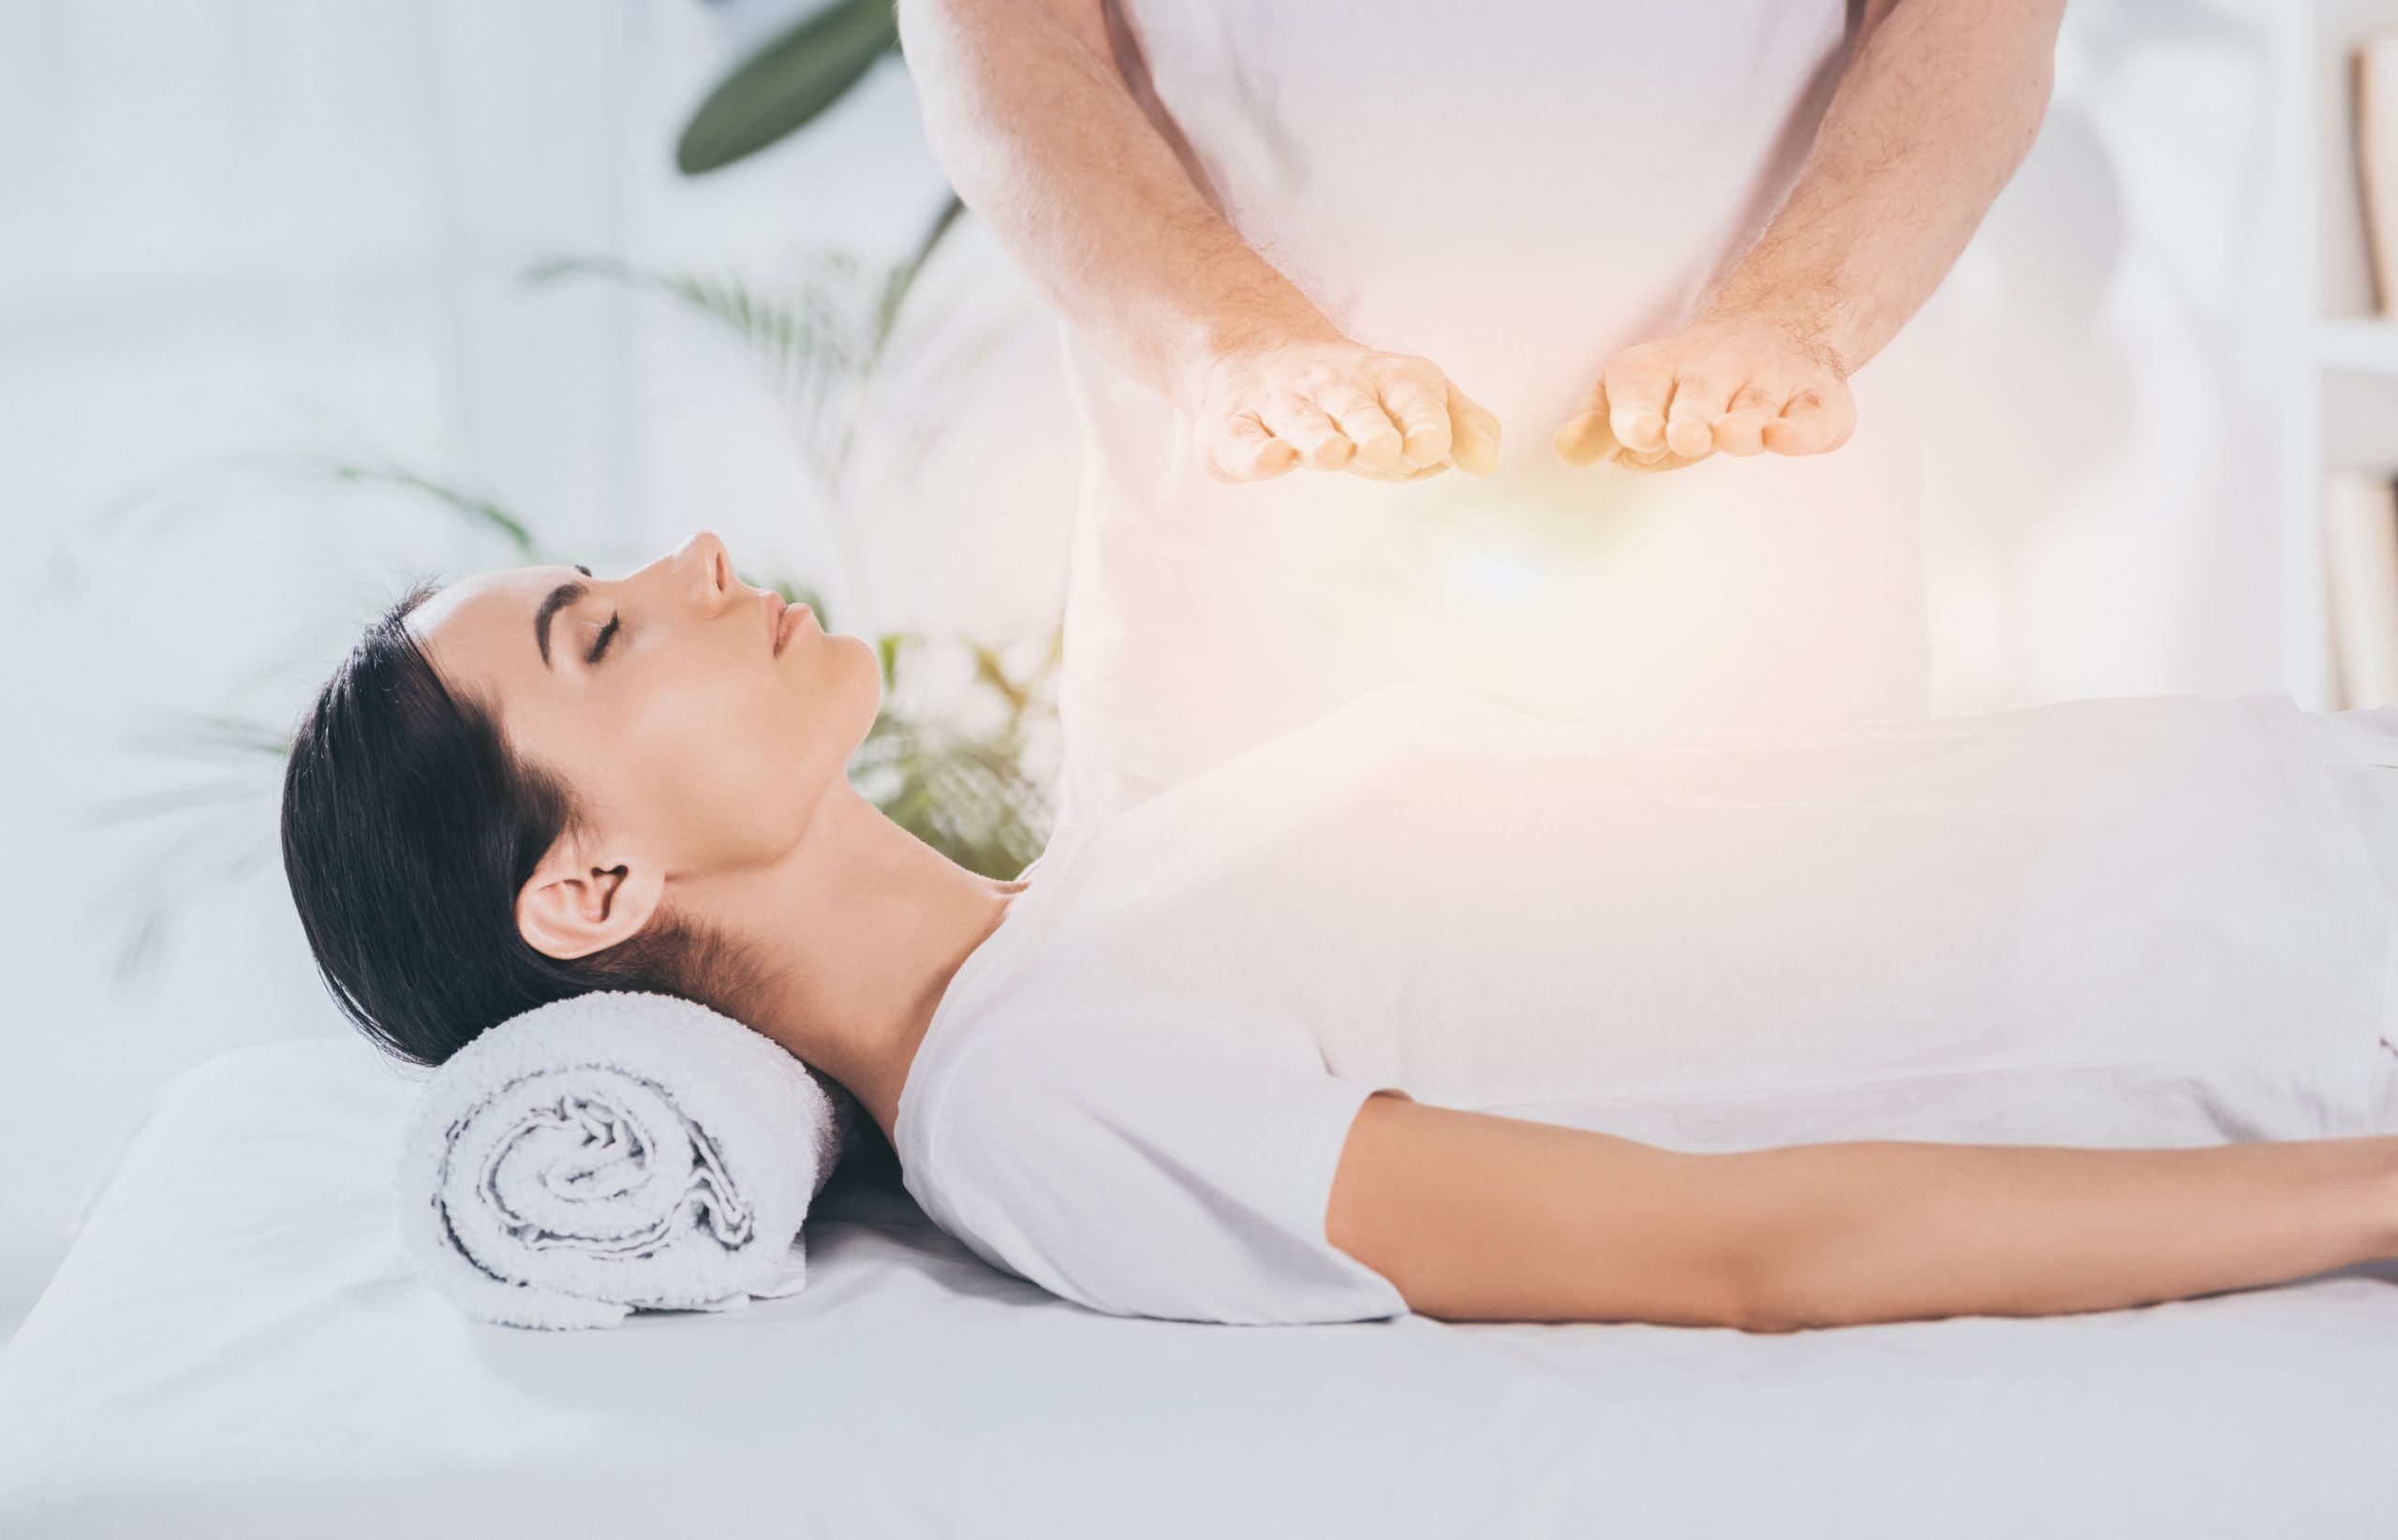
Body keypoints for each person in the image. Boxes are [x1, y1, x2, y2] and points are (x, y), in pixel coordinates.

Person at [283, 533, 2398, 1334]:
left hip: (2297, 796)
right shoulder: (1037, 1096)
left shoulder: (1089, 890)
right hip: (2311, 987)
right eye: (602, 628)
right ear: (588, 892)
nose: (694, 553)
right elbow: (1730, 1248)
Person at [896, 0, 2074, 824]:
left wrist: (1793, 320)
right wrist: (1235, 346)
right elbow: (996, 4)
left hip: (1768, 668)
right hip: (1241, 676)